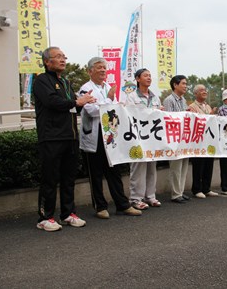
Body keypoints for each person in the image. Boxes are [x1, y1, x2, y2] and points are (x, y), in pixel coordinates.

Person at [33, 46, 96, 232]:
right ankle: (45, 217)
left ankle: (68, 213)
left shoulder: (67, 83)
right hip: (51, 137)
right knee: (50, 178)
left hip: (70, 137)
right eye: (58, 57)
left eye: (64, 57)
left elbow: (73, 107)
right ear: (47, 61)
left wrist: (84, 102)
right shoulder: (41, 80)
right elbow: (52, 102)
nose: (62, 60)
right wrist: (77, 102)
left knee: (69, 178)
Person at [79, 57, 141, 219]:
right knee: (96, 174)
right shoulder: (85, 88)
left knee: (114, 171)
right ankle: (100, 206)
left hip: (111, 137)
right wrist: (109, 100)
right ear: (90, 71)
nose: (103, 71)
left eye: (104, 68)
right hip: (94, 137)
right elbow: (92, 111)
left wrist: (118, 105)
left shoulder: (108, 87)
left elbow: (114, 107)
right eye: (99, 67)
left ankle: (122, 204)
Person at [128, 68, 163, 210]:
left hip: (152, 138)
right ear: (137, 79)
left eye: (150, 75)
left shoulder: (155, 97)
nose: (149, 78)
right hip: (137, 137)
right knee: (138, 168)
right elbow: (129, 115)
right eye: (145, 75)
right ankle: (136, 198)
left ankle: (151, 196)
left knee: (151, 168)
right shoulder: (131, 97)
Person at [163, 75, 192, 203]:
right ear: (175, 85)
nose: (185, 86)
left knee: (184, 166)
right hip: (174, 138)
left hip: (184, 138)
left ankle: (180, 191)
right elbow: (169, 119)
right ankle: (175, 194)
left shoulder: (183, 100)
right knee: (176, 167)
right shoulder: (169, 100)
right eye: (183, 83)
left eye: (186, 84)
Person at [188, 84, 218, 198]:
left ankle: (206, 188)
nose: (205, 92)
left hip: (208, 140)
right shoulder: (192, 107)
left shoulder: (208, 106)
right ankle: (197, 189)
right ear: (195, 94)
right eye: (201, 90)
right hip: (198, 140)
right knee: (198, 165)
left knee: (208, 164)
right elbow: (194, 121)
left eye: (205, 90)